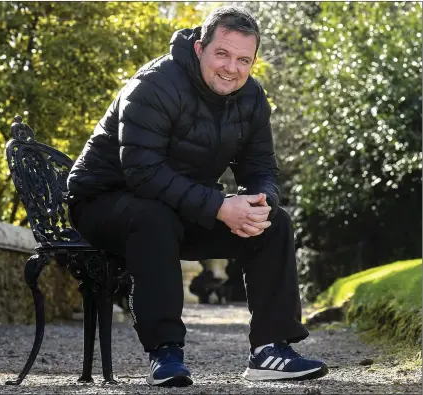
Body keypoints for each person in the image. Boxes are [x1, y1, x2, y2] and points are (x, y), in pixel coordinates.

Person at [67, 5, 328, 387]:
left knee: (273, 223)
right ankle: (166, 352)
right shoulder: (154, 85)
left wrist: (258, 203)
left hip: (180, 204)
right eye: (222, 53)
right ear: (200, 48)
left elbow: (261, 168)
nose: (231, 68)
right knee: (153, 217)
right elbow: (142, 172)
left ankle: (270, 350)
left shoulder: (252, 98)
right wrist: (220, 206)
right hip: (105, 201)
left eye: (244, 60)